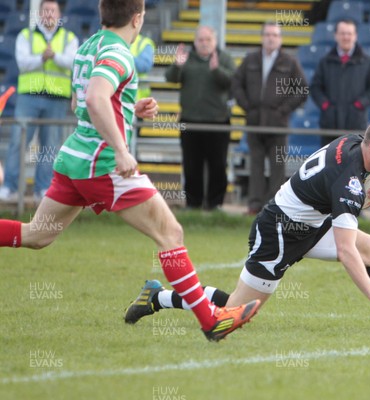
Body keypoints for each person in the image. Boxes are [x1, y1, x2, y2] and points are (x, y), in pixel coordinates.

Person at [0, 0, 259, 343]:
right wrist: (122, 150)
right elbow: (93, 100)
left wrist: (127, 107)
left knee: (36, 235)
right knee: (171, 234)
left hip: (75, 158)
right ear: (137, 18)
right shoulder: (119, 52)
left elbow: (83, 102)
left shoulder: (89, 45)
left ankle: (206, 318)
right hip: (104, 164)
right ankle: (211, 321)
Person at [125, 117, 370, 334]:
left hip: (311, 227)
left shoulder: (354, 142)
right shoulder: (345, 180)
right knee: (232, 314)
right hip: (279, 234)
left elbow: (350, 188)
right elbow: (346, 251)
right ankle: (159, 296)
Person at [0, 0, 78, 203]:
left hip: (57, 99)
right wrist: (42, 58)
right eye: (45, 10)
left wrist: (54, 56)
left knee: (50, 146)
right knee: (19, 141)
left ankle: (43, 187)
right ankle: (10, 186)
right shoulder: (25, 36)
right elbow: (23, 63)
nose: (49, 14)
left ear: (59, 15)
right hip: (29, 97)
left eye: (53, 11)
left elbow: (72, 61)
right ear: (39, 13)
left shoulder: (69, 38)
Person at [232, 22, 308, 215]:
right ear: (262, 37)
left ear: (280, 39)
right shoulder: (250, 60)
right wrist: (246, 106)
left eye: (274, 35)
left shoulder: (289, 62)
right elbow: (236, 83)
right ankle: (254, 204)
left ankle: (275, 206)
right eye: (267, 35)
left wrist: (284, 110)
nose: (271, 38)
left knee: (277, 167)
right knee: (255, 165)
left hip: (278, 125)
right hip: (254, 122)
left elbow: (302, 90)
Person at [165, 26, 235, 210]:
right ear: (195, 41)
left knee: (218, 165)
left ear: (215, 41)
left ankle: (215, 204)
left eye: (208, 39)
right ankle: (193, 203)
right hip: (190, 121)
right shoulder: (187, 58)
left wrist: (216, 70)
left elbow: (232, 81)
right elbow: (170, 78)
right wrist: (177, 65)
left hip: (218, 122)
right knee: (191, 164)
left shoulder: (224, 58)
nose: (204, 43)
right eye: (201, 40)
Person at [310, 19, 370, 147]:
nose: (346, 37)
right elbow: (315, 87)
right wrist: (326, 105)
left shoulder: (367, 62)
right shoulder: (325, 61)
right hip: (329, 126)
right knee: (329, 165)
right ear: (336, 35)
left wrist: (360, 104)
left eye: (349, 33)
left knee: (354, 164)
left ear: (355, 36)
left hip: (355, 125)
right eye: (342, 33)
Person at [131, 32, 155, 101]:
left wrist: (124, 55)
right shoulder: (113, 40)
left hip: (138, 98)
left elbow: (144, 67)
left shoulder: (144, 42)